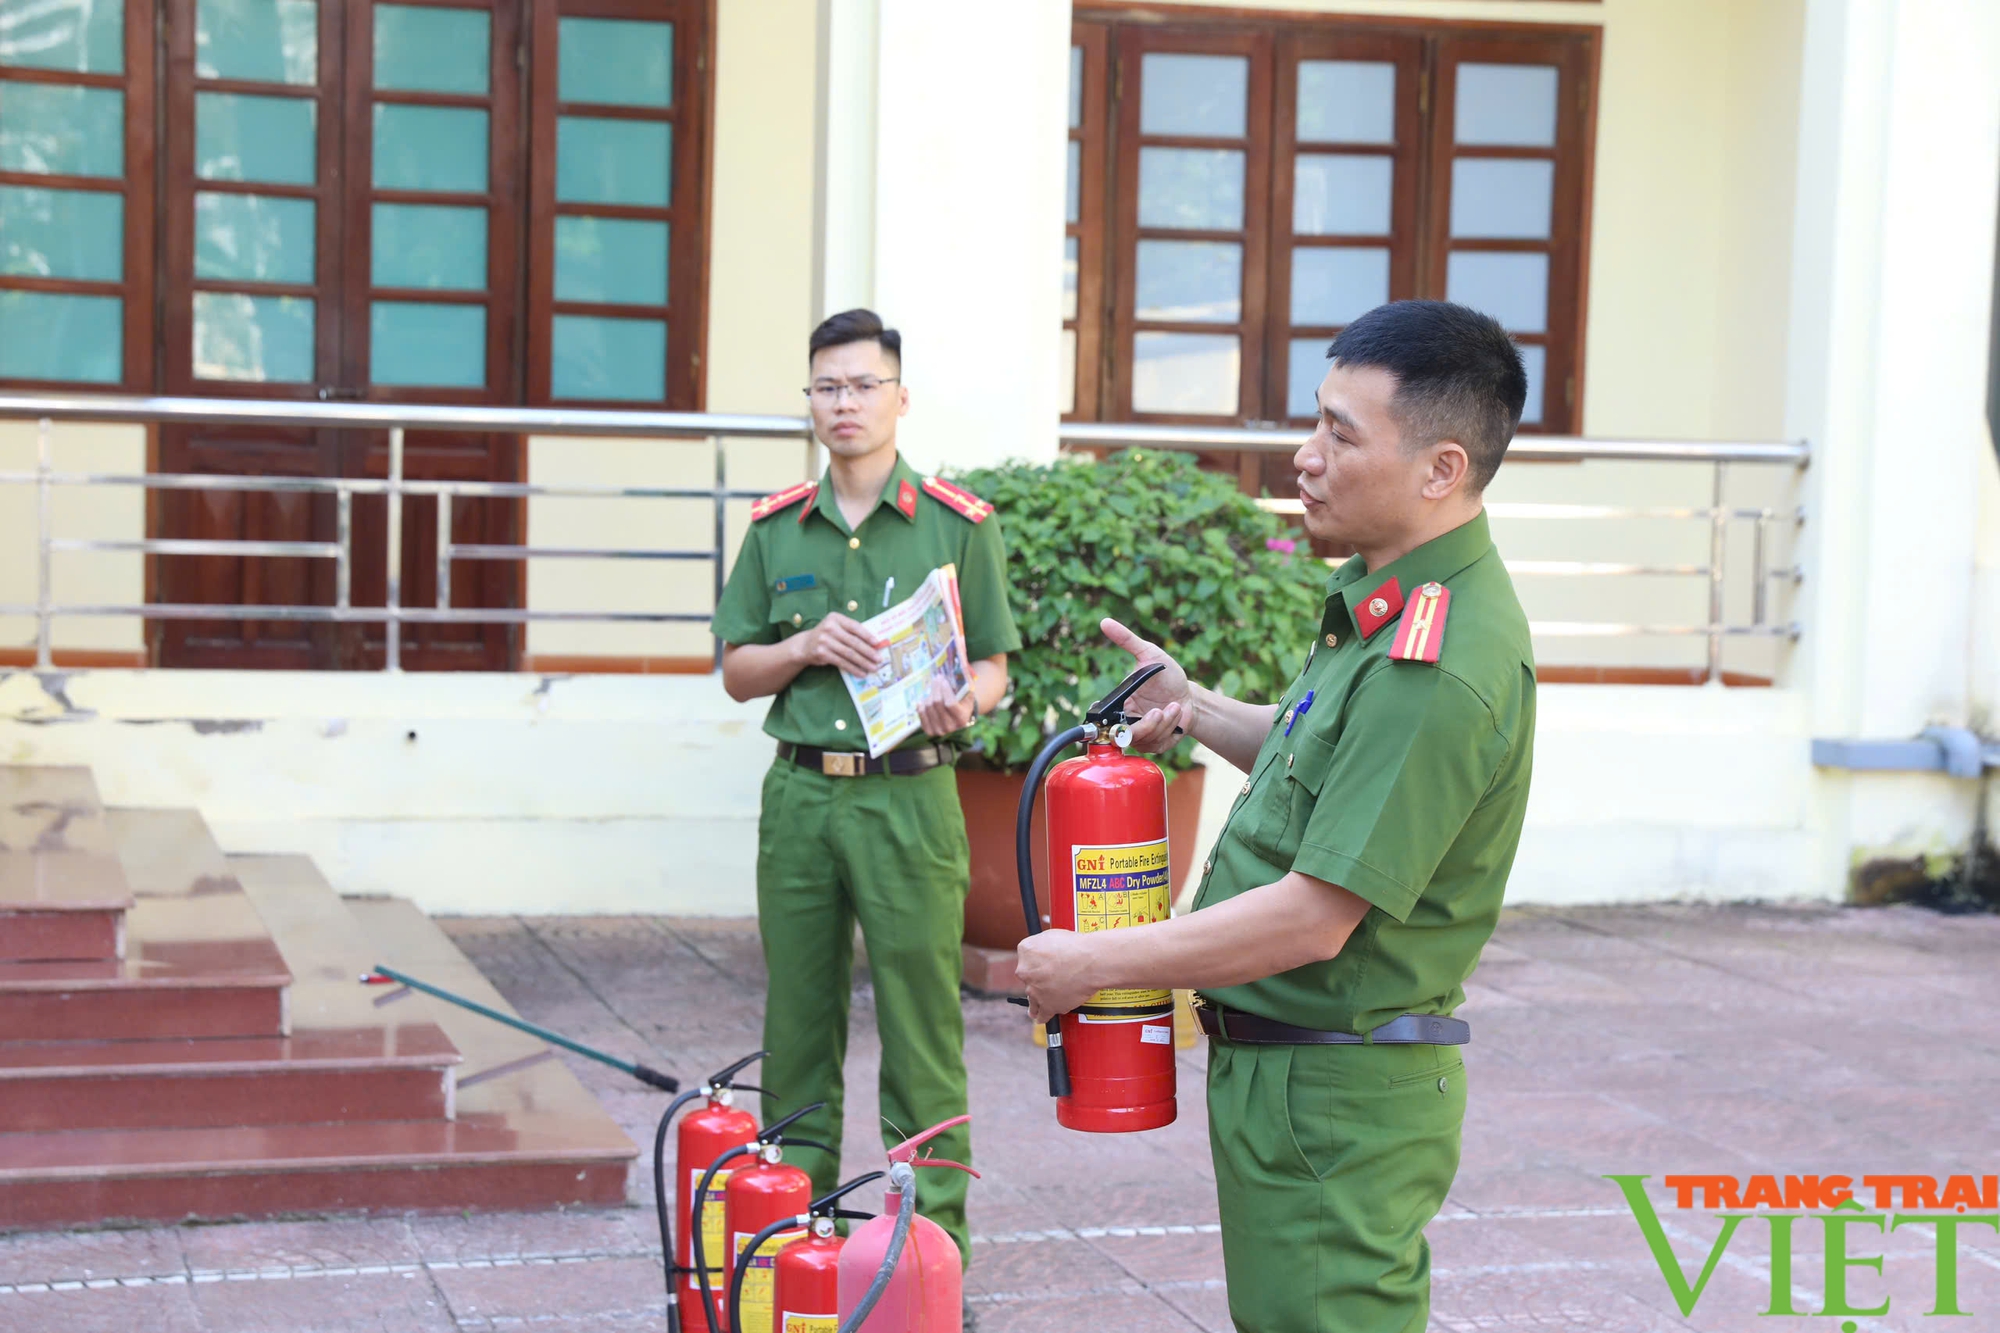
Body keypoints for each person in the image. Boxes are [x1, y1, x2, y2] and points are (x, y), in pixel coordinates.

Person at [1017, 300, 1537, 1332]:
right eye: (1316, 423)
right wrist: (1195, 702)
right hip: (1296, 1073)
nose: (1303, 458)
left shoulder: (1433, 664)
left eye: (1340, 434)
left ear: (1439, 468)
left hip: (1334, 1097)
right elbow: (1321, 767)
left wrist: (1097, 961)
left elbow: (1313, 916)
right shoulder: (1386, 600)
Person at [710, 308, 1020, 1264]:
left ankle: (928, 1252)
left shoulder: (959, 526)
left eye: (863, 385)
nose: (845, 403)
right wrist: (800, 646)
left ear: (900, 398)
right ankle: (789, 1246)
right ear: (809, 402)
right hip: (802, 798)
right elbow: (736, 669)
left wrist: (962, 703)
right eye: (827, 387)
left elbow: (996, 668)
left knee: (922, 1030)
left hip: (911, 797)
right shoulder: (774, 529)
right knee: (797, 1024)